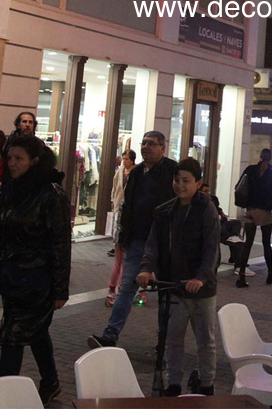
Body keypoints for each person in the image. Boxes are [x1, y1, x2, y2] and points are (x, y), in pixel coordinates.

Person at [0, 136, 70, 406]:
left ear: (35, 161)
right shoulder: (9, 191)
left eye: (19, 158)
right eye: (10, 158)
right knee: (35, 332)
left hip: (38, 281)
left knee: (14, 337)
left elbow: (60, 245)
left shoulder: (51, 195)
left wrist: (59, 289)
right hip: (11, 279)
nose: (13, 163)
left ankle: (1, 396)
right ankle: (50, 380)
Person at [137, 157, 220, 397]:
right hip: (173, 287)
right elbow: (153, 245)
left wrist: (201, 278)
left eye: (186, 181)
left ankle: (207, 384)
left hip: (200, 290)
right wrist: (145, 269)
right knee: (172, 338)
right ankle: (174, 384)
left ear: (198, 183)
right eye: (177, 180)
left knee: (205, 340)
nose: (180, 185)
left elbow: (211, 249)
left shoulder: (206, 209)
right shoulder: (165, 211)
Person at [89, 132, 177, 347]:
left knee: (166, 291)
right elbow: (128, 205)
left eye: (152, 144)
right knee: (128, 287)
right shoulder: (137, 172)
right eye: (144, 143)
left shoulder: (172, 171)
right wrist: (123, 236)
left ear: (163, 148)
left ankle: (164, 339)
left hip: (165, 243)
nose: (146, 147)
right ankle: (110, 335)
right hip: (138, 240)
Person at [235, 148, 272, 288]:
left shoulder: (250, 170)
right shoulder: (271, 175)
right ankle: (270, 274)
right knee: (266, 243)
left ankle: (241, 276)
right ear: (270, 159)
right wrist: (270, 206)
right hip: (264, 212)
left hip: (249, 210)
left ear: (260, 157)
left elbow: (239, 186)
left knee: (247, 243)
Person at [105, 149, 136, 307]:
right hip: (120, 212)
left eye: (126, 159)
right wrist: (113, 200)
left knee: (124, 260)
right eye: (123, 158)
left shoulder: (136, 174)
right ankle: (116, 288)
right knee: (120, 259)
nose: (124, 161)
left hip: (128, 218)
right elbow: (114, 187)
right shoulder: (120, 172)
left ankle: (119, 289)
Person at [0, 111, 37, 192]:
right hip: (9, 182)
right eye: (24, 122)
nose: (27, 125)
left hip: (29, 185)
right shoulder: (9, 142)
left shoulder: (38, 144)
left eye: (30, 122)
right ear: (18, 125)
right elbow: (2, 164)